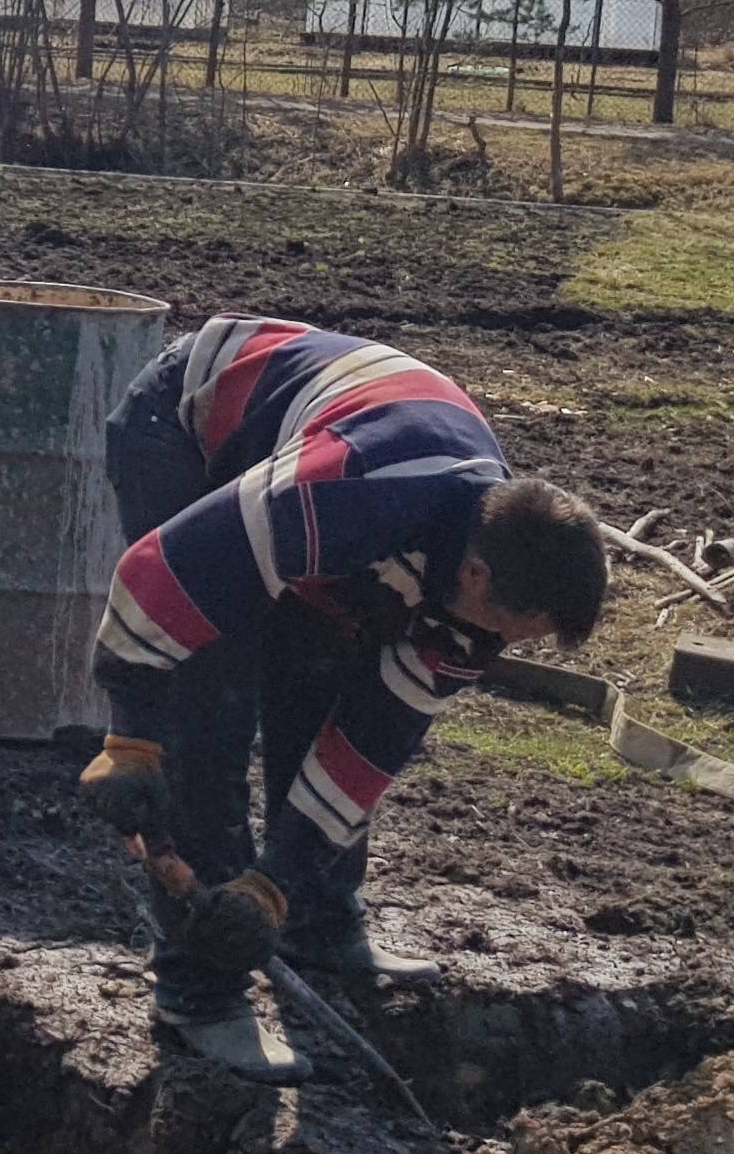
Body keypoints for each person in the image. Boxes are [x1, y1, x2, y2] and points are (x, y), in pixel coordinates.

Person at [81, 316, 607, 1083]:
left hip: (336, 478)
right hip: (188, 423)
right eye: (510, 629)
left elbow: (370, 741)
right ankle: (199, 994)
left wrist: (275, 883)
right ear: (477, 579)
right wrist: (131, 740)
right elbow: (154, 576)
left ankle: (317, 919)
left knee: (324, 678)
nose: (500, 649)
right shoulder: (348, 498)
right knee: (214, 707)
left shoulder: (477, 588)